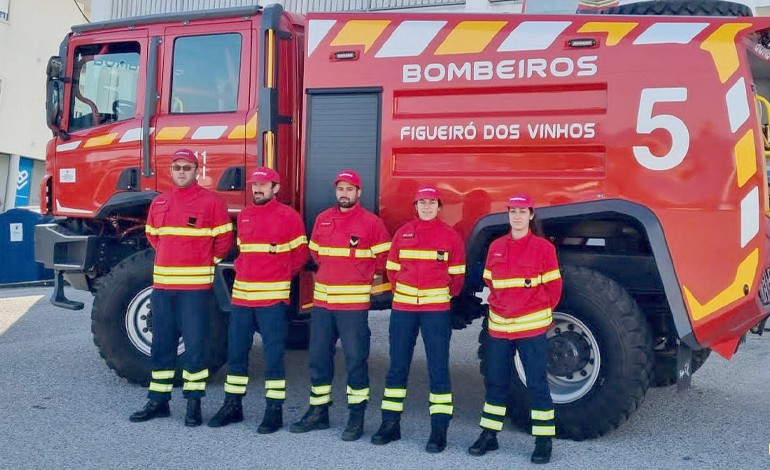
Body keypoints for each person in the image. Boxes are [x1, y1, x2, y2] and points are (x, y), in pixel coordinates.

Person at [130, 149, 234, 426]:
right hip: (163, 288)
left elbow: (224, 241)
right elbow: (153, 235)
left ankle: (193, 404)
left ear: (196, 170)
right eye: (177, 167)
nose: (181, 171)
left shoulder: (212, 203)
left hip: (195, 291)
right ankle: (158, 401)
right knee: (161, 346)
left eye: (187, 167)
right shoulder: (160, 202)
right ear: (171, 170)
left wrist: (203, 263)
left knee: (195, 347)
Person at [290, 169, 391, 441]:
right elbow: (315, 253)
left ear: (359, 193)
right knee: (319, 359)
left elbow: (385, 262)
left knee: (356, 360)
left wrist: (359, 275)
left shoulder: (372, 224)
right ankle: (318, 412)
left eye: (349, 188)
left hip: (353, 308)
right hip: (322, 305)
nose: (344, 193)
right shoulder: (323, 219)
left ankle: (356, 417)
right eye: (340, 188)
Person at [207, 167, 309, 432]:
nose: (257, 189)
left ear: (276, 188)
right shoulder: (246, 215)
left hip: (273, 300)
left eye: (263, 185)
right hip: (242, 298)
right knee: (236, 352)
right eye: (254, 185)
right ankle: (233, 405)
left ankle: (274, 411)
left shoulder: (289, 217)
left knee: (273, 354)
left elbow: (300, 255)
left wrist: (280, 276)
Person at [370, 185, 465, 453]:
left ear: (439, 207)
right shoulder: (403, 233)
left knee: (438, 369)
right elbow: (391, 269)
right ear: (415, 207)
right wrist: (406, 294)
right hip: (404, 310)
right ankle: (390, 424)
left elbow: (457, 278)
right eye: (422, 203)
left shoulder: (451, 237)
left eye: (431, 203)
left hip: (436, 312)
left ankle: (439, 430)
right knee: (397, 366)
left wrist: (438, 296)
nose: (426, 207)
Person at [468, 194, 562, 464]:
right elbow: (489, 281)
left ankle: (543, 440)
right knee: (496, 382)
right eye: (513, 211)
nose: (517, 216)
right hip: (499, 327)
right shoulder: (496, 246)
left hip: (531, 328)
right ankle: (490, 434)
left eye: (522, 211)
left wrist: (536, 311)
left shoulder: (544, 249)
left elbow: (554, 289)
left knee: (536, 383)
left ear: (531, 215)